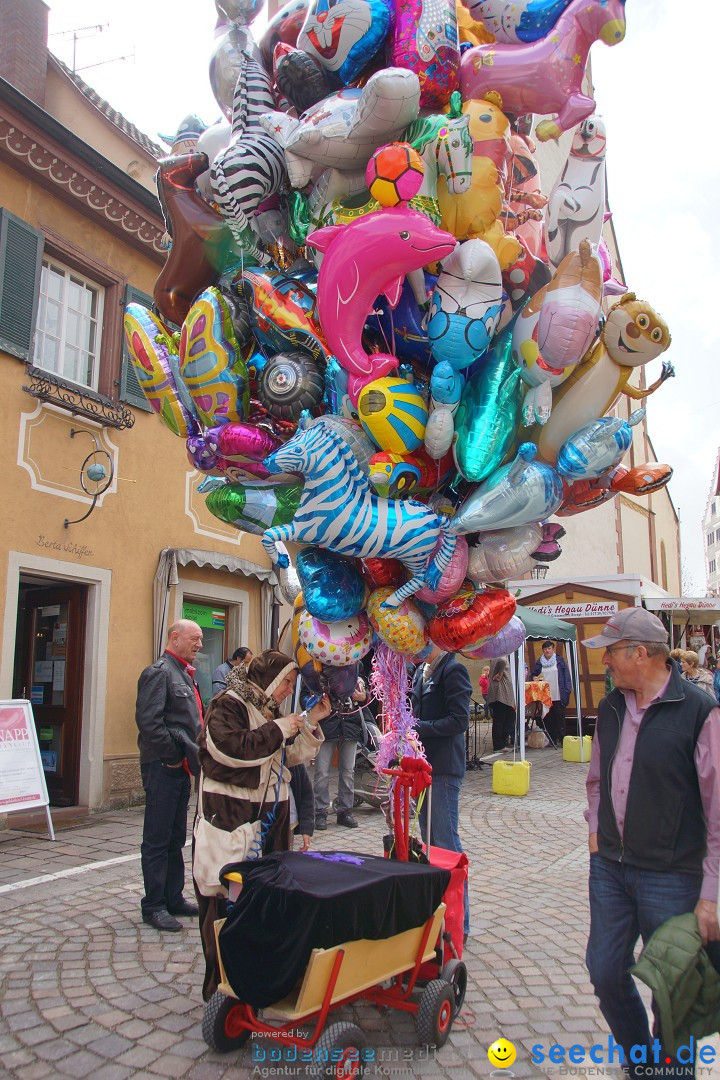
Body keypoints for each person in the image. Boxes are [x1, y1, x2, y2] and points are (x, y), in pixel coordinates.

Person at [582, 607, 720, 1078]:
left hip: (673, 874)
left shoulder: (700, 712)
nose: (606, 664)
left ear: (641, 654)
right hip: (611, 867)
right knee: (603, 970)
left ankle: (670, 1069)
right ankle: (640, 1056)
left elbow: (718, 808)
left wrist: (711, 895)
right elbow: (598, 775)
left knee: (672, 988)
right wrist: (593, 830)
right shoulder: (613, 705)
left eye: (612, 654)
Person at [193, 649, 330, 1001]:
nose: (288, 689)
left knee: (266, 905)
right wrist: (278, 729)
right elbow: (229, 750)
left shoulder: (268, 709)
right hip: (231, 823)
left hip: (268, 827)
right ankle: (221, 986)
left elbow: (285, 755)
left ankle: (262, 979)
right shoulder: (228, 704)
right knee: (223, 905)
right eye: (286, 681)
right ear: (269, 678)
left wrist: (309, 723)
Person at [135, 620, 204, 932]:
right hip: (164, 768)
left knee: (176, 837)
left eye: (201, 640)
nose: (199, 645)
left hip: (180, 770)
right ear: (175, 638)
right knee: (157, 838)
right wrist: (174, 758)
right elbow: (149, 723)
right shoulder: (159, 672)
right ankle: (154, 905)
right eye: (195, 639)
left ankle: (173, 897)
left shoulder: (184, 673)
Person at [411, 645, 471, 939]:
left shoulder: (453, 669)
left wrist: (418, 728)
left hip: (444, 767)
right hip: (422, 767)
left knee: (446, 844)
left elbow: (459, 720)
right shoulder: (421, 670)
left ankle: (461, 923)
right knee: (429, 845)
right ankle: (440, 917)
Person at [314, 676, 368, 830]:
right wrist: (314, 701)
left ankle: (345, 811)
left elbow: (365, 687)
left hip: (350, 724)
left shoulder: (354, 663)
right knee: (322, 771)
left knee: (347, 771)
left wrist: (364, 696)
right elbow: (305, 695)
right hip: (326, 724)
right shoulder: (319, 665)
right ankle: (320, 812)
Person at [531, 640, 572, 747]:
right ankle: (552, 739)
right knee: (549, 718)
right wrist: (534, 677)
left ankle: (563, 739)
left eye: (549, 648)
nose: (547, 651)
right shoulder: (540, 662)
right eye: (545, 649)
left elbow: (566, 677)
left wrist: (567, 691)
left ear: (552, 649)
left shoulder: (559, 661)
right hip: (546, 696)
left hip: (558, 694)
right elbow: (534, 674)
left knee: (560, 717)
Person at [485, 656, 516, 751]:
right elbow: (502, 661)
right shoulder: (501, 655)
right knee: (501, 719)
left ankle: (502, 742)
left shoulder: (495, 655)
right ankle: (499, 745)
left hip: (502, 693)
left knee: (507, 717)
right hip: (501, 692)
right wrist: (500, 673)